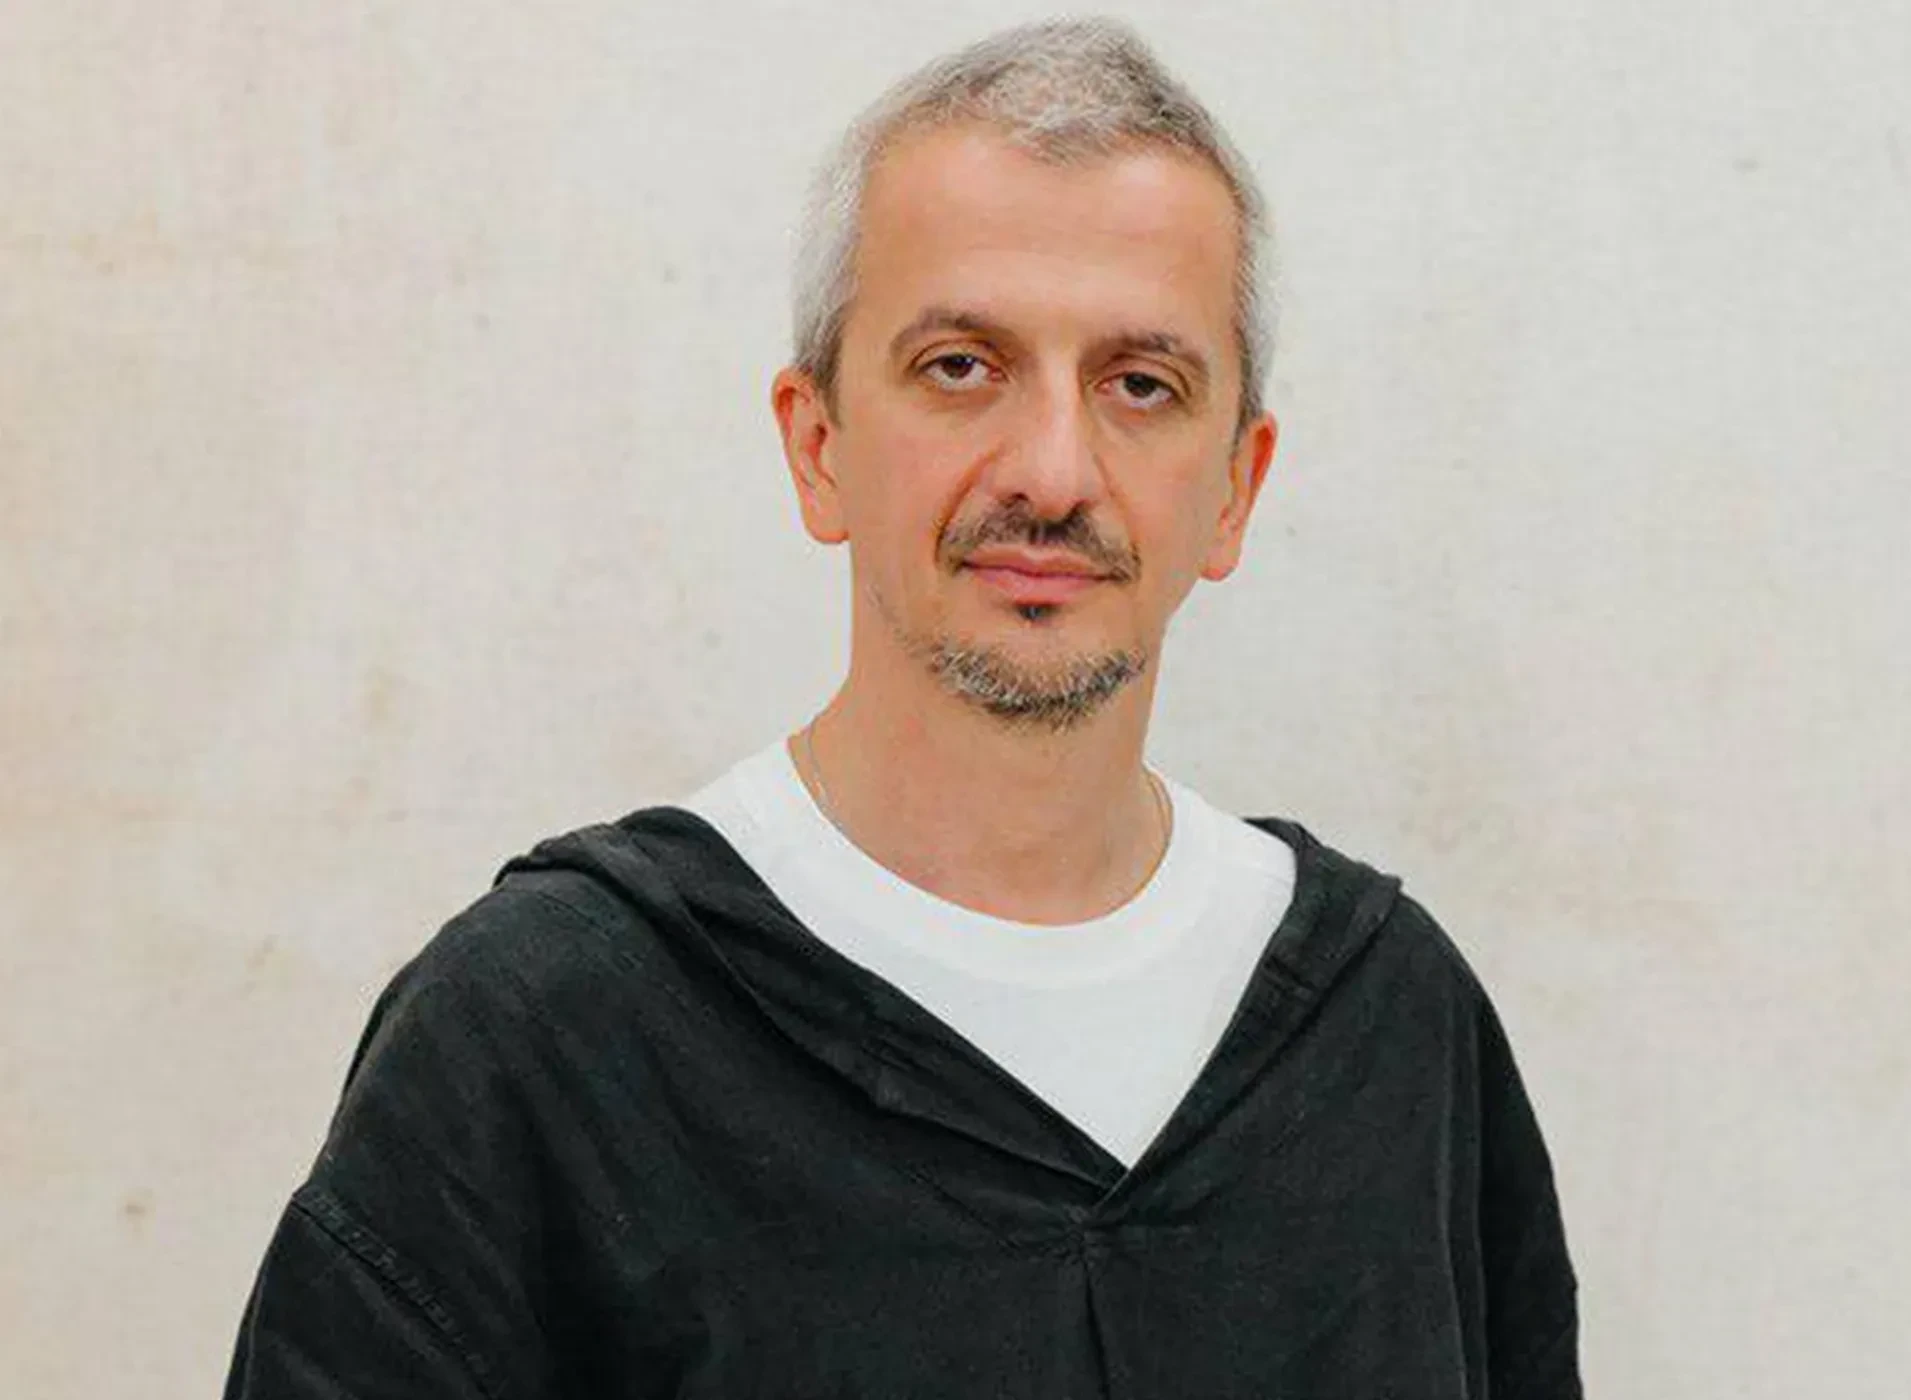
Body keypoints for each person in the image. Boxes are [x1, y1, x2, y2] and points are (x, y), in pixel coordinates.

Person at [224, 17, 1583, 1397]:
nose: (1053, 472)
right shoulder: (545, 1040)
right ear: (816, 447)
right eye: (961, 367)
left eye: (1140, 385)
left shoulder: (1386, 1031)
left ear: (1235, 486)